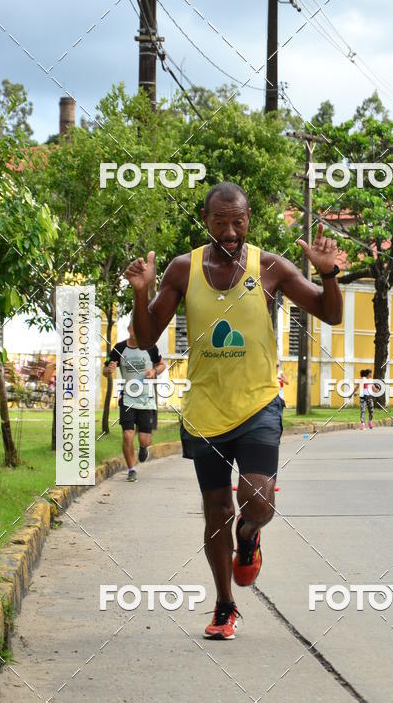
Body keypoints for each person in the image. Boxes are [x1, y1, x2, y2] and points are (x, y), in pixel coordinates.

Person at [125, 181, 342, 639]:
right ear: (206, 221)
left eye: (237, 221)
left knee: (257, 500)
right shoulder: (183, 270)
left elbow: (330, 313)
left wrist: (328, 274)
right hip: (205, 410)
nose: (229, 230)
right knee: (216, 508)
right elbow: (145, 339)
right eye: (220, 221)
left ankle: (250, 536)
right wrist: (140, 294)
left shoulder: (270, 268)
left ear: (248, 221)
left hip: (259, 402)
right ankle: (225, 604)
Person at [103, 320, 165, 482]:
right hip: (127, 397)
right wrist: (108, 370)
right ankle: (131, 469)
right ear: (129, 329)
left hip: (147, 399)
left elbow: (161, 365)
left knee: (144, 439)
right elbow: (106, 368)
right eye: (134, 328)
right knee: (127, 434)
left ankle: (144, 448)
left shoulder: (151, 347)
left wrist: (154, 371)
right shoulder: (120, 348)